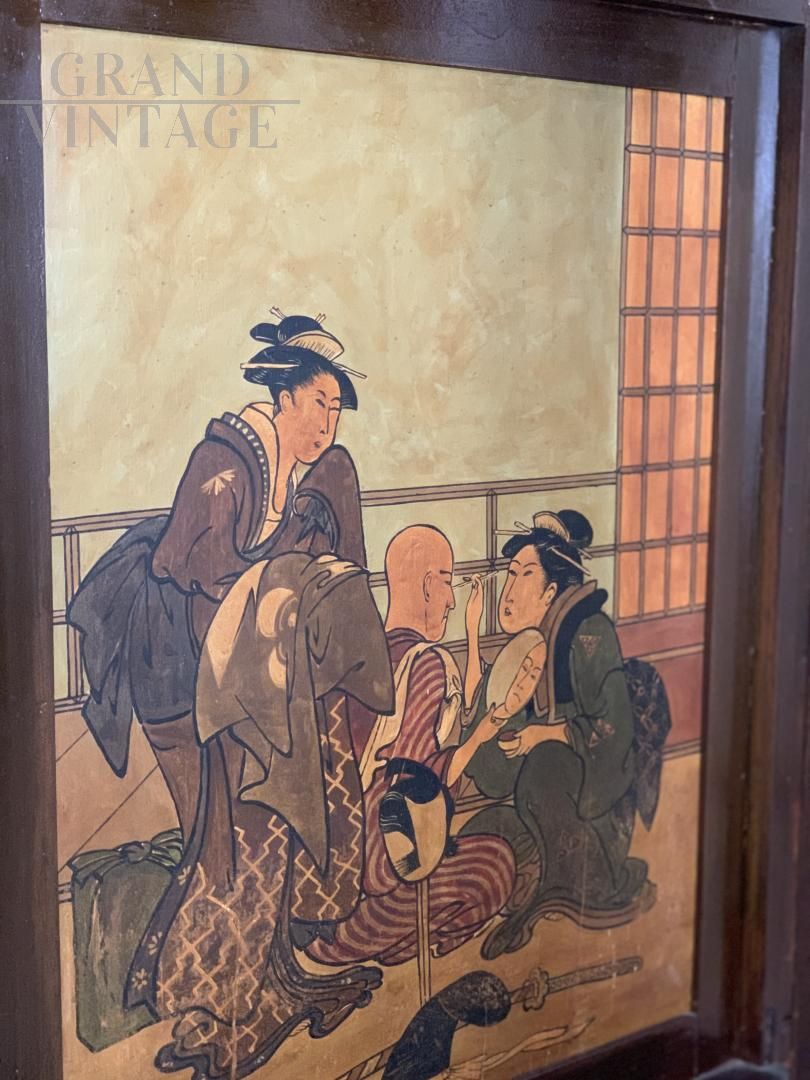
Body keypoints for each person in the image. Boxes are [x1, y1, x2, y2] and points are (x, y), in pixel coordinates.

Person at [70, 312, 396, 1079]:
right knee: (224, 837)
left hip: (232, 661)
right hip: (173, 666)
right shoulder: (225, 461)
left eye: (337, 409)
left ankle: (257, 987)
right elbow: (201, 573)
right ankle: (216, 1005)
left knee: (254, 828)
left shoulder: (302, 472)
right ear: (283, 398)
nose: (328, 422)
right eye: (318, 404)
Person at [308, 525, 515, 969]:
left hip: (327, 876)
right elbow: (421, 787)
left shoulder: (358, 658)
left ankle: (384, 940)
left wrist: (472, 635)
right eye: (447, 582)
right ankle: (383, 940)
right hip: (377, 877)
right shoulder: (426, 665)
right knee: (496, 867)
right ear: (426, 584)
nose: (451, 600)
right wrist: (481, 736)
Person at [459, 509, 654, 960]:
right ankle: (539, 884)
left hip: (594, 807)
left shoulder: (588, 633)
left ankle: (577, 890)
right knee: (479, 839)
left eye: (524, 575)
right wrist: (471, 639)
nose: (509, 590)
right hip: (538, 803)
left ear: (551, 591)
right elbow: (491, 770)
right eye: (509, 574)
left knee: (544, 768)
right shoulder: (526, 647)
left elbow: (613, 728)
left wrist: (545, 736)